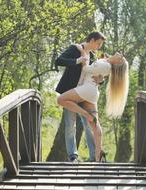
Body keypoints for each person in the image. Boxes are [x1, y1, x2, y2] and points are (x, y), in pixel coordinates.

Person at [57, 49, 129, 162]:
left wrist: (82, 52)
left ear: (118, 62)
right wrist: (101, 77)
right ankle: (99, 154)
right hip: (92, 92)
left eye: (120, 56)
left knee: (61, 99)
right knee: (94, 124)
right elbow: (98, 73)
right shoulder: (106, 63)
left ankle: (85, 114)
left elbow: (86, 69)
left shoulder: (106, 66)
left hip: (87, 89)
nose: (119, 53)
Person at [55, 31, 106, 162]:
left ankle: (94, 156)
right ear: (92, 40)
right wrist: (77, 60)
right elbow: (59, 61)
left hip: (85, 94)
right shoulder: (75, 49)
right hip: (71, 93)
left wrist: (101, 80)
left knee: (90, 124)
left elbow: (96, 74)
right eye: (98, 43)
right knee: (70, 125)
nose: (99, 47)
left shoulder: (93, 57)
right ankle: (73, 156)